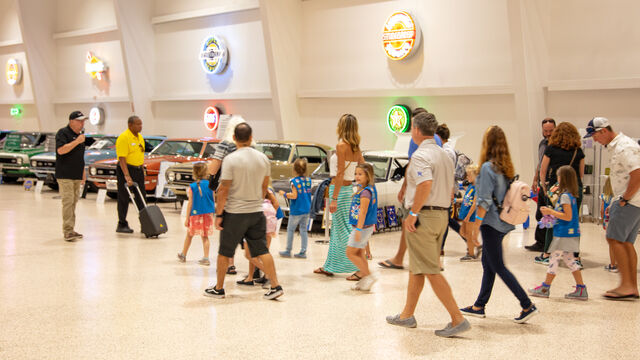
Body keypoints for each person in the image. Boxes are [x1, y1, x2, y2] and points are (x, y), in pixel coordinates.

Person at [386, 111, 470, 338]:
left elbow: (424, 185)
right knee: (417, 267)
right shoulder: (444, 155)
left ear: (415, 130)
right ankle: (406, 315)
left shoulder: (421, 156)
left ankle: (457, 318)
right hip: (441, 216)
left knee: (431, 270)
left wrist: (413, 213)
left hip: (424, 216)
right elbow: (451, 188)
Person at [460, 126, 538, 324]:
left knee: (498, 266)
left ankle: (526, 304)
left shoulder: (487, 168)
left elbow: (484, 201)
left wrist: (475, 226)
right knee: (488, 264)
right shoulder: (505, 168)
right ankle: (479, 305)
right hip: (504, 222)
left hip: (491, 223)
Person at [203, 123, 284, 300]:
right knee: (263, 250)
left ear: (234, 138)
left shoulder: (231, 159)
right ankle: (275, 286)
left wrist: (218, 214)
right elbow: (265, 186)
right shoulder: (263, 158)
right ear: (250, 137)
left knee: (225, 252)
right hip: (256, 211)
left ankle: (218, 288)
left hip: (234, 213)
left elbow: (224, 189)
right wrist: (256, 201)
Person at [584, 117, 640, 300]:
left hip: (630, 200)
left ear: (604, 131)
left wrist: (624, 199)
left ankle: (626, 285)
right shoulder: (618, 146)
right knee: (625, 242)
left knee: (614, 238)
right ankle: (631, 286)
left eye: (595, 136)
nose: (595, 140)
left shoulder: (624, 146)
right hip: (631, 200)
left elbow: (637, 173)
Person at [379, 107, 435, 270]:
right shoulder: (436, 140)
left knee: (408, 221)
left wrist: (404, 186)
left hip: (417, 188)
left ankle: (400, 258)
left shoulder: (414, 142)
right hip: (433, 194)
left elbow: (412, 163)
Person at [313, 114, 364, 279]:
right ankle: (330, 265)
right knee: (338, 229)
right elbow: (364, 167)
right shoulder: (357, 148)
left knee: (342, 229)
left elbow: (340, 173)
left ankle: (360, 265)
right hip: (348, 191)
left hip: (339, 190)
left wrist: (334, 198)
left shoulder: (341, 146)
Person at [528, 165, 588, 300]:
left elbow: (567, 216)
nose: (557, 179)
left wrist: (551, 212)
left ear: (564, 178)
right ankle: (581, 289)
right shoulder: (570, 195)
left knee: (554, 259)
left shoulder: (565, 196)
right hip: (567, 233)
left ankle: (545, 288)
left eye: (559, 176)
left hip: (564, 234)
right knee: (571, 261)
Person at [535, 122, 585, 266]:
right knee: (573, 221)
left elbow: (542, 171)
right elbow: (581, 174)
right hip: (575, 190)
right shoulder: (578, 151)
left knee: (552, 220)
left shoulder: (551, 149)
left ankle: (547, 254)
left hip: (555, 190)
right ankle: (575, 257)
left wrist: (544, 188)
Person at [207, 115, 248, 275]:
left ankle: (229, 264)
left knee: (228, 229)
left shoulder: (225, 144)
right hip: (248, 192)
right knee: (248, 231)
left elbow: (213, 168)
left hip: (230, 191)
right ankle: (255, 265)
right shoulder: (252, 146)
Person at [237, 187, 280, 286]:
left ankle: (269, 275)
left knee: (249, 255)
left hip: (254, 226)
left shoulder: (250, 190)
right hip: (269, 227)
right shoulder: (267, 189)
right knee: (261, 253)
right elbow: (276, 204)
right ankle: (251, 277)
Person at [55, 110, 88, 241]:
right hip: (65, 174)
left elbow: (80, 157)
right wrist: (77, 141)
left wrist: (83, 173)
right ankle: (67, 230)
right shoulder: (63, 133)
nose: (82, 123)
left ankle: (71, 229)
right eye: (79, 121)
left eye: (83, 121)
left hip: (76, 174)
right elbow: (61, 150)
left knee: (74, 202)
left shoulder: (81, 136)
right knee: (68, 202)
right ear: (71, 121)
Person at [346, 163, 379, 291]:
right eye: (355, 174)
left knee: (350, 253)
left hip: (362, 227)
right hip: (364, 227)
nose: (357, 176)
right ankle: (365, 279)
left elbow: (363, 212)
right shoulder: (366, 188)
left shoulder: (365, 192)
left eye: (360, 174)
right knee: (359, 253)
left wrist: (359, 229)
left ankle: (369, 275)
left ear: (368, 176)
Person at [526, 118, 556, 252]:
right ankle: (540, 242)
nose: (548, 133)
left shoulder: (558, 146)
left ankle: (548, 244)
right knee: (540, 214)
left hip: (552, 185)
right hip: (542, 184)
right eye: (546, 131)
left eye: (551, 131)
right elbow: (540, 163)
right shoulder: (542, 144)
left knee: (550, 215)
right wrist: (535, 179)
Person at [177, 162, 213, 266]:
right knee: (205, 236)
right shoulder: (210, 185)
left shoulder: (192, 187)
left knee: (189, 235)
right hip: (207, 214)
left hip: (195, 214)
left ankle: (183, 254)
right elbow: (213, 199)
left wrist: (187, 218)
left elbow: (190, 203)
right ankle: (206, 258)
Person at [115, 116, 146, 234]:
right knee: (123, 197)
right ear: (130, 125)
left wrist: (142, 169)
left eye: (141, 124)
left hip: (138, 170)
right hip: (126, 169)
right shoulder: (124, 138)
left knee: (141, 197)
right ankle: (122, 223)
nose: (140, 126)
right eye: (138, 124)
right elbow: (122, 158)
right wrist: (127, 176)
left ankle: (145, 223)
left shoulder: (140, 138)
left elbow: (140, 154)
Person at [279, 158, 312, 258]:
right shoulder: (308, 180)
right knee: (303, 230)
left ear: (294, 170)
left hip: (297, 209)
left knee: (290, 230)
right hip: (306, 209)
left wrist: (284, 194)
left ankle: (288, 250)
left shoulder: (294, 181)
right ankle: (303, 252)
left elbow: (294, 195)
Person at [459, 165, 481, 261]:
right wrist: (456, 200)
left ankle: (471, 254)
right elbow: (465, 199)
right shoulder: (470, 186)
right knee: (462, 232)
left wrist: (468, 215)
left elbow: (474, 204)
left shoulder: (477, 188)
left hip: (471, 215)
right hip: (465, 213)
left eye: (469, 175)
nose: (467, 177)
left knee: (468, 234)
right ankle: (477, 245)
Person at [600, 177, 617, 272]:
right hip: (618, 220)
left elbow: (602, 210)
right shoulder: (618, 196)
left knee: (612, 243)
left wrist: (602, 219)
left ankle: (612, 264)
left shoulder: (604, 196)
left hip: (607, 221)